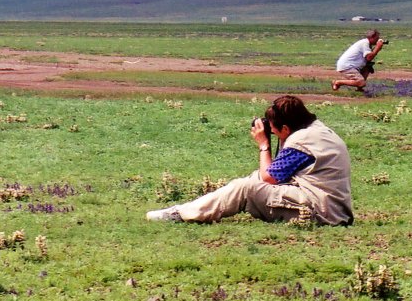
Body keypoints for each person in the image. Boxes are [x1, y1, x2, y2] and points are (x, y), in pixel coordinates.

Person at [146, 95, 353, 225]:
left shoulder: (300, 141)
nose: (271, 132)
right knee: (252, 179)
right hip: (333, 208)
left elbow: (269, 178)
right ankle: (193, 209)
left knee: (246, 187)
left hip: (321, 211)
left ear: (286, 129)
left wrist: (264, 144)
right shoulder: (318, 130)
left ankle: (181, 214)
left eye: (274, 129)